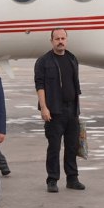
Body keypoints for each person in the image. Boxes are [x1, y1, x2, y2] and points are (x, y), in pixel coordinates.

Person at [34, 29, 84, 193]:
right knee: (54, 147)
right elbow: (39, 86)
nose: (60, 41)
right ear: (51, 41)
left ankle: (72, 178)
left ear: (67, 40)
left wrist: (77, 111)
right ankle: (52, 180)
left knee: (72, 146)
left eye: (63, 38)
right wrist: (44, 107)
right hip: (54, 112)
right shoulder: (43, 61)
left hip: (72, 110)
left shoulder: (72, 59)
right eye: (57, 39)